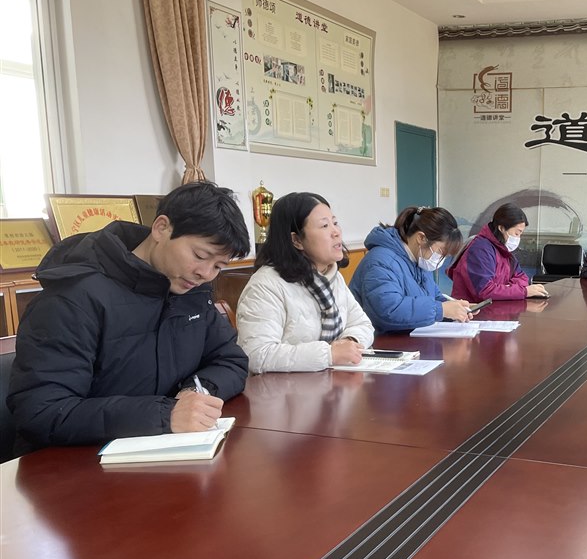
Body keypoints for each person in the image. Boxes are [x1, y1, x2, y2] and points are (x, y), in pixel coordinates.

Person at [7, 181, 251, 450]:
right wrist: (165, 414)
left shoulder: (191, 292)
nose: (205, 273)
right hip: (72, 462)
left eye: (218, 266)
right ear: (161, 228)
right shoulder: (73, 298)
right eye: (200, 255)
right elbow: (41, 411)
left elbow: (230, 360)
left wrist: (195, 391)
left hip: (160, 451)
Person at [235, 192, 374, 373]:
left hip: (330, 381)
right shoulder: (266, 285)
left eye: (335, 222)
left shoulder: (331, 276)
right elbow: (256, 354)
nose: (336, 232)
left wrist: (349, 342)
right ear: (296, 240)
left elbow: (362, 324)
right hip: (282, 389)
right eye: (324, 225)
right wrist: (329, 354)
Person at [349, 206, 470, 332]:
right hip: (380, 340)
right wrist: (441, 310)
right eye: (440, 251)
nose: (440, 259)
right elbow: (388, 310)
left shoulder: (419, 260)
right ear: (421, 238)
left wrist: (457, 308)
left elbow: (434, 297)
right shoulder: (380, 261)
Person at [446, 203, 548, 302]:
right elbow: (484, 291)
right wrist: (522, 291)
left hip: (495, 307)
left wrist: (507, 289)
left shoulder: (504, 250)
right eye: (517, 233)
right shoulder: (480, 249)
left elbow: (522, 277)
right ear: (501, 228)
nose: (518, 238)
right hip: (471, 309)